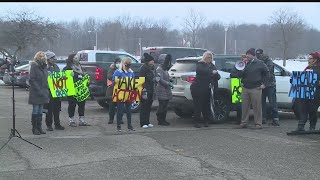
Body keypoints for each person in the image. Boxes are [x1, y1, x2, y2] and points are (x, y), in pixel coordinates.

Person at [239, 48, 269, 129]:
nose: (247, 56)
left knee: (257, 106)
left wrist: (264, 84)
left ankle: (258, 123)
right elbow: (238, 73)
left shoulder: (260, 63)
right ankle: (244, 122)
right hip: (245, 87)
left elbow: (267, 73)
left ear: (253, 55)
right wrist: (243, 65)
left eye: (249, 54)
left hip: (256, 88)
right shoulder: (245, 63)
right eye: (247, 54)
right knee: (245, 106)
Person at [190, 51, 220, 128]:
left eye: (210, 58)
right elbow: (201, 71)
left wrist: (215, 73)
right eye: (208, 57)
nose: (209, 59)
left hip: (207, 89)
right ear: (205, 58)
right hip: (198, 88)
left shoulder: (212, 65)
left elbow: (218, 76)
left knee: (206, 106)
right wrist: (211, 72)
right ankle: (196, 121)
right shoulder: (200, 64)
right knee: (198, 105)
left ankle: (206, 120)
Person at [294, 52, 320, 131]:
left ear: (315, 60)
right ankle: (301, 126)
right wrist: (295, 80)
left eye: (310, 58)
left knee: (312, 110)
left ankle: (312, 127)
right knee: (303, 109)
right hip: (306, 93)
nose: (308, 60)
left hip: (316, 94)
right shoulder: (308, 68)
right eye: (308, 58)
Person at [63, 54, 90, 127]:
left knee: (82, 104)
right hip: (72, 89)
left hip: (81, 90)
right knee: (72, 104)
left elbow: (83, 75)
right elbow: (64, 75)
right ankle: (71, 120)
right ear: (71, 59)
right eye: (75, 57)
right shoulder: (68, 67)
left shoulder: (80, 66)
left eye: (77, 57)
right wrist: (75, 75)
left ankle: (82, 120)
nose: (77, 58)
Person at [256, 49, 280, 126]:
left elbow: (268, 74)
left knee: (272, 102)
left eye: (259, 54)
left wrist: (264, 84)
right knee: (262, 103)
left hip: (270, 85)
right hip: (262, 85)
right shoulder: (259, 61)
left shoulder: (268, 62)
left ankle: (275, 119)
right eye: (257, 55)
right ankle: (263, 118)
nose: (258, 56)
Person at [28, 51, 49, 135]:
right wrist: (39, 90)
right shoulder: (34, 66)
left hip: (43, 91)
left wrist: (46, 89)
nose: (42, 57)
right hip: (36, 92)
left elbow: (45, 79)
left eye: (43, 56)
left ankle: (39, 127)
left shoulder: (44, 67)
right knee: (35, 110)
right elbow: (32, 79)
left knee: (40, 111)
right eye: (41, 56)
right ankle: (34, 128)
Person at [112, 57, 135, 132]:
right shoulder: (118, 72)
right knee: (120, 110)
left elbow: (133, 81)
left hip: (128, 93)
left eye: (129, 64)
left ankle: (129, 125)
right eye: (127, 64)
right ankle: (119, 126)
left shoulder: (131, 72)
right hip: (120, 93)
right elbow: (113, 81)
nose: (128, 66)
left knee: (129, 110)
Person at [44, 51, 65, 131]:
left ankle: (57, 124)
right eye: (52, 58)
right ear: (48, 59)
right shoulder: (45, 67)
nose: (54, 59)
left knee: (57, 108)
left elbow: (59, 76)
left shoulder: (56, 66)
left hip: (56, 90)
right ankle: (49, 125)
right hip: (48, 91)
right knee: (49, 109)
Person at [155, 54, 173, 126]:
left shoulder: (165, 69)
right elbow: (160, 80)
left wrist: (170, 80)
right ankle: (160, 120)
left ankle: (163, 119)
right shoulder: (159, 69)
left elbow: (166, 77)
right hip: (161, 90)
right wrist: (168, 83)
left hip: (166, 90)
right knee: (162, 105)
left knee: (165, 106)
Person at [229, 54, 248, 123]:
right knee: (238, 104)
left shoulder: (249, 66)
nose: (245, 60)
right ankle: (239, 119)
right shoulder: (238, 65)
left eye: (246, 59)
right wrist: (240, 72)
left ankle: (245, 119)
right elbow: (232, 75)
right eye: (243, 59)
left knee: (246, 104)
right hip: (237, 84)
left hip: (246, 85)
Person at [139, 53, 156, 128]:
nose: (153, 62)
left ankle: (147, 121)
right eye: (152, 61)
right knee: (144, 107)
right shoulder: (143, 69)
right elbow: (141, 80)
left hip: (151, 89)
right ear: (148, 61)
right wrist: (143, 90)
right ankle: (143, 122)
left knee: (149, 106)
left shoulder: (152, 68)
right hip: (145, 89)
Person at [106, 57, 122, 124]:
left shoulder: (123, 69)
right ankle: (111, 119)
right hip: (112, 89)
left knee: (120, 106)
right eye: (117, 62)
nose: (118, 64)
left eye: (120, 62)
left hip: (120, 89)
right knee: (112, 106)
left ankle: (120, 119)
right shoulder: (111, 69)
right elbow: (109, 76)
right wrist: (117, 77)